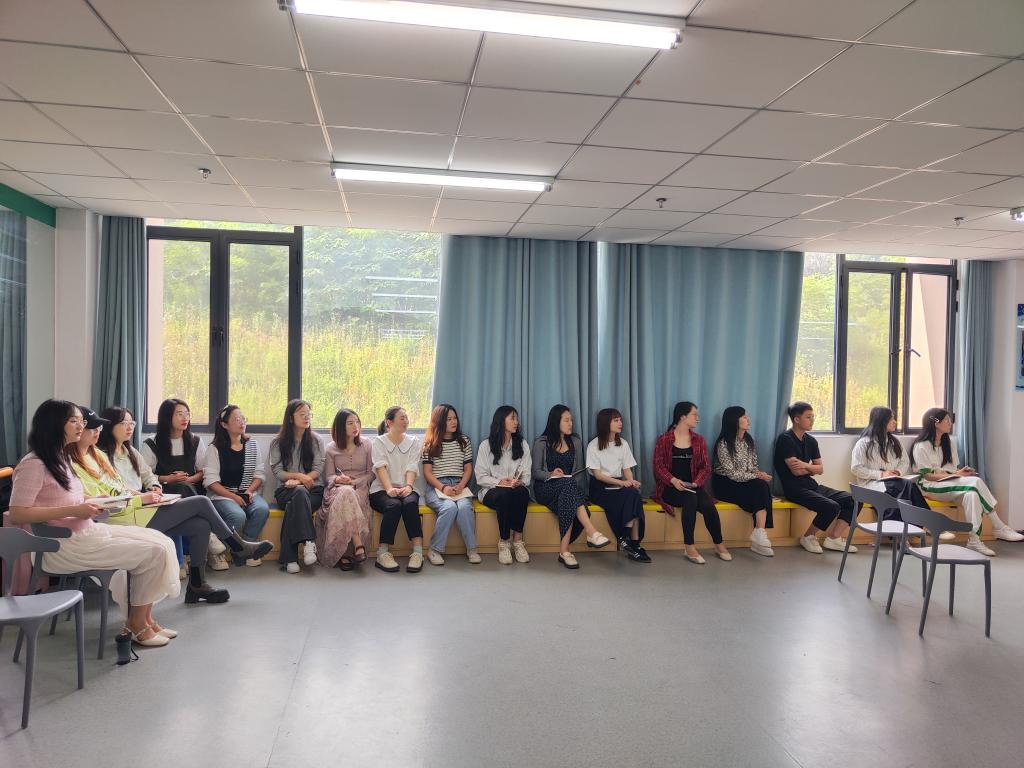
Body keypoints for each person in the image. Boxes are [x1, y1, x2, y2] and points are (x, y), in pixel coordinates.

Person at [9, 401, 178, 647]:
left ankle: (145, 619)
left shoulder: (59, 457)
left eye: (82, 421)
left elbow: (69, 498)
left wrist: (96, 501)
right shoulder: (33, 464)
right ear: (54, 425)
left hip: (86, 532)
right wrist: (74, 510)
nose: (82, 426)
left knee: (162, 541)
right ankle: (136, 623)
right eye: (74, 421)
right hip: (61, 545)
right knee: (153, 552)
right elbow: (17, 513)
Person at [74, 406, 271, 605]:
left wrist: (154, 488)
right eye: (123, 423)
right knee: (201, 501)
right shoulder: (93, 458)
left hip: (139, 507)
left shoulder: (119, 452)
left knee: (201, 525)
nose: (129, 427)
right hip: (126, 515)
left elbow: (134, 482)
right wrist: (142, 497)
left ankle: (197, 585)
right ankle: (237, 546)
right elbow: (106, 497)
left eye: (131, 423)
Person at [910, 407, 1023, 556]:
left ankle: (974, 541)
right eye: (947, 420)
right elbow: (927, 476)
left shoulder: (948, 443)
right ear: (936, 423)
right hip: (929, 486)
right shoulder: (921, 446)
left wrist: (960, 473)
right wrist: (956, 474)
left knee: (972, 495)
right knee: (975, 482)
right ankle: (999, 526)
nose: (950, 423)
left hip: (949, 483)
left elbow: (952, 469)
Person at [652, 402, 731, 564]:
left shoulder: (698, 440)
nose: (697, 418)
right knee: (690, 499)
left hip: (693, 487)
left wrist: (695, 483)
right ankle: (689, 547)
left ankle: (719, 544)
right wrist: (673, 480)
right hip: (670, 488)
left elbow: (706, 467)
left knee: (708, 504)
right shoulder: (664, 439)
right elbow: (658, 466)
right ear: (682, 417)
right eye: (694, 414)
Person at [774, 402, 857, 555]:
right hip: (794, 488)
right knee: (831, 506)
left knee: (854, 499)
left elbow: (820, 469)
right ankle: (808, 537)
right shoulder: (785, 439)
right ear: (796, 419)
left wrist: (805, 465)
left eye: (813, 417)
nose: (812, 420)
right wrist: (811, 468)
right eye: (808, 417)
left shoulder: (811, 441)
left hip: (812, 485)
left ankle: (834, 538)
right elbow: (796, 472)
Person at [533, 405, 610, 570]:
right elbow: (536, 473)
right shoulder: (541, 443)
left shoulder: (575, 441)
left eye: (571, 420)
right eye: (566, 420)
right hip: (546, 489)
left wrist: (573, 487)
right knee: (570, 493)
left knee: (568, 494)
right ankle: (591, 532)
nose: (571, 424)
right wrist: (551, 474)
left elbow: (579, 473)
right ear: (556, 422)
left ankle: (565, 551)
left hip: (569, 488)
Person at [203, 404, 272, 566]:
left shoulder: (252, 445)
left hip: (248, 493)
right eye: (236, 419)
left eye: (243, 418)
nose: (242, 422)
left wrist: (249, 491)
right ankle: (216, 552)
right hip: (222, 496)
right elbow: (211, 482)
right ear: (224, 424)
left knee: (261, 509)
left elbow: (259, 474)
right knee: (237, 516)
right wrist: (233, 497)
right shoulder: (215, 448)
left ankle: (246, 549)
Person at [587, 408, 650, 563]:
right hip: (600, 487)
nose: (620, 423)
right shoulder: (593, 445)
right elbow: (598, 475)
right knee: (632, 496)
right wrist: (622, 483)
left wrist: (631, 481)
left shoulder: (623, 444)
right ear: (605, 423)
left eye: (620, 420)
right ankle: (630, 541)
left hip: (617, 485)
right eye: (616, 420)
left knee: (633, 493)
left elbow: (627, 469)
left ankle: (629, 540)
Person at [269, 399, 325, 574]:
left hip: (314, 490)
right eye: (302, 414)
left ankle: (289, 559)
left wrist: (301, 481)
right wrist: (299, 477)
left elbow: (318, 469)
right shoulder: (277, 442)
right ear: (291, 417)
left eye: (309, 414)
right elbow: (277, 471)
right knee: (298, 493)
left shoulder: (316, 440)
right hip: (285, 491)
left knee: (294, 504)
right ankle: (309, 541)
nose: (306, 417)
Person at [712, 406, 775, 557]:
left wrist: (759, 474)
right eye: (744, 417)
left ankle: (759, 532)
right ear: (734, 420)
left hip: (743, 481)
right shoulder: (724, 443)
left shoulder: (749, 441)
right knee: (760, 488)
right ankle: (759, 534)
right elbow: (732, 474)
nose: (748, 420)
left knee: (762, 486)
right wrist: (755, 476)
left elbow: (752, 467)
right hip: (725, 483)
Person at [421, 404, 480, 566]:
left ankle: (472, 549)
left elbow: (468, 468)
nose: (454, 422)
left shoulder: (464, 441)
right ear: (440, 421)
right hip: (437, 486)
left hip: (459, 484)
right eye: (449, 419)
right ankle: (434, 550)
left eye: (455, 418)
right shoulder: (430, 443)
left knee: (464, 507)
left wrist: (461, 485)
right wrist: (443, 487)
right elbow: (427, 473)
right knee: (449, 507)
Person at [851, 406, 931, 521]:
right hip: (871, 484)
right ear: (882, 420)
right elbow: (856, 468)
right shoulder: (863, 443)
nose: (895, 422)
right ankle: (926, 521)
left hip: (894, 482)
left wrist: (897, 472)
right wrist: (881, 474)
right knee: (906, 487)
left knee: (907, 486)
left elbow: (904, 461)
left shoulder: (895, 442)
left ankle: (907, 526)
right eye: (891, 418)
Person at [370, 406, 424, 573]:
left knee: (410, 504)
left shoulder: (414, 442)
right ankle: (382, 553)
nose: (406, 421)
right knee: (393, 505)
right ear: (389, 422)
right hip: (381, 489)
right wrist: (389, 489)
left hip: (407, 486)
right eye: (402, 418)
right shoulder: (379, 442)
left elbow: (412, 466)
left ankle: (418, 552)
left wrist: (408, 486)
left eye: (406, 417)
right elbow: (380, 467)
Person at [476, 405, 532, 565]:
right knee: (504, 494)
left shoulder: (522, 444)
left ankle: (518, 541)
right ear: (501, 421)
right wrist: (499, 482)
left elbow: (527, 474)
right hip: (491, 491)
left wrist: (520, 481)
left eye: (517, 418)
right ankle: (504, 542)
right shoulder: (486, 446)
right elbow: (480, 477)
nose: (516, 422)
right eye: (512, 418)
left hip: (515, 489)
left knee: (522, 493)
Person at [320, 408, 372, 570]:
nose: (355, 426)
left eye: (357, 422)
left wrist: (355, 482)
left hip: (360, 488)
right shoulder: (331, 448)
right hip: (337, 489)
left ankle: (343, 554)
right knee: (345, 492)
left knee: (349, 493)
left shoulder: (367, 444)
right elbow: (328, 476)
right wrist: (338, 479)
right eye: (350, 423)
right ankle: (357, 545)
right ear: (341, 426)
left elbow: (371, 473)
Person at [141, 398, 206, 498]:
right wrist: (168, 479)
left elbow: (203, 471)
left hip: (191, 487)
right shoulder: (151, 444)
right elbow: (144, 474)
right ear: (167, 417)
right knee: (183, 488)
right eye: (180, 414)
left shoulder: (195, 441)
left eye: (187, 414)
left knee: (184, 487)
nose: (185, 418)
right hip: (163, 491)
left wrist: (187, 480)